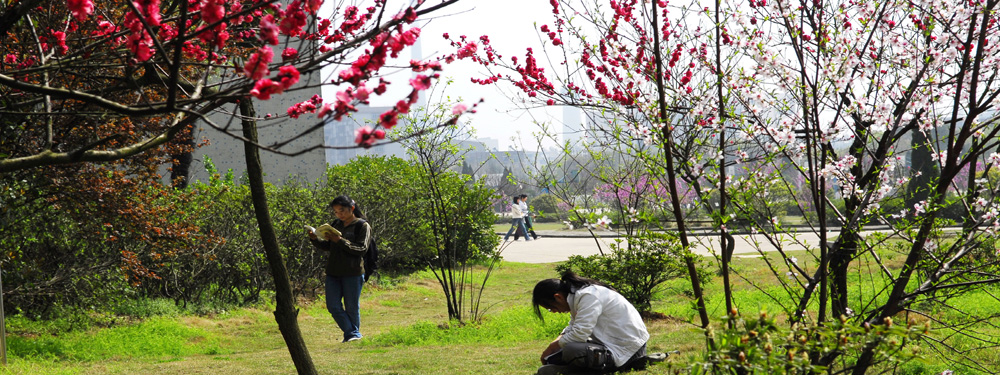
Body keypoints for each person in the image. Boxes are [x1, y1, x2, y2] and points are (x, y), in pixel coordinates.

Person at [532, 272, 650, 375]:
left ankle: (579, 371)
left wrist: (553, 347)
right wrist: (555, 343)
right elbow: (574, 326)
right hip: (612, 343)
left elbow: (579, 334)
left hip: (627, 349)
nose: (554, 312)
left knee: (571, 350)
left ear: (558, 297)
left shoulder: (588, 296)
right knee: (558, 354)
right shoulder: (578, 296)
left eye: (550, 308)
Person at [308, 195, 371, 342]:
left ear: (352, 209)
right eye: (336, 212)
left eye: (342, 210)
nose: (339, 214)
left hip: (352, 272)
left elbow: (362, 249)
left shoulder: (362, 226)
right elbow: (328, 247)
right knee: (333, 306)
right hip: (333, 272)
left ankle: (352, 335)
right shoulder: (336, 224)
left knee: (351, 307)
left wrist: (340, 240)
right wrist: (314, 239)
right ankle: (353, 333)